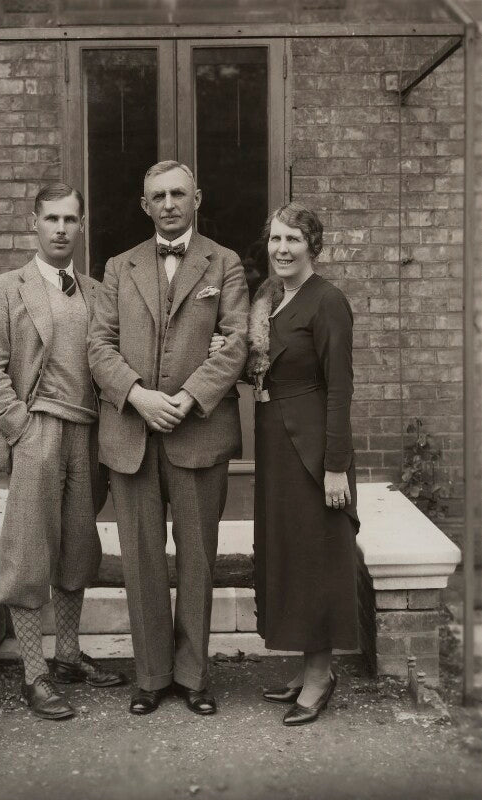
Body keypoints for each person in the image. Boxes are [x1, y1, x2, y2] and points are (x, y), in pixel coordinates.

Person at [87, 160, 249, 716]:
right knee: (140, 560)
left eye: (179, 193)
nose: (170, 203)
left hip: (199, 432)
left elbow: (235, 341)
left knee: (198, 559)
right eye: (158, 195)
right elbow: (99, 346)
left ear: (197, 198)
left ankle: (195, 677)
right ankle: (152, 675)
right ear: (145, 204)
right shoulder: (118, 266)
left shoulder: (223, 263)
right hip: (131, 434)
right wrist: (138, 396)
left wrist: (185, 398)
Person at [0, 183, 126, 720]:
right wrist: (21, 427)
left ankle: (68, 657)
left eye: (70, 220)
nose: (61, 229)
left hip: (87, 434)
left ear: (82, 226)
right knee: (30, 549)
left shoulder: (97, 292)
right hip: (37, 432)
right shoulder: (4, 289)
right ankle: (34, 675)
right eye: (51, 219)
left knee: (80, 548)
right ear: (33, 223)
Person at [246, 202, 360, 726]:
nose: (282, 249)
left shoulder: (327, 300)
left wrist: (335, 464)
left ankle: (320, 678)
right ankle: (304, 669)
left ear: (314, 246)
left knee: (316, 559)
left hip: (313, 448)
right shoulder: (270, 297)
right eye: (275, 239)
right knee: (291, 555)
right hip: (276, 443)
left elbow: (340, 388)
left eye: (293, 240)